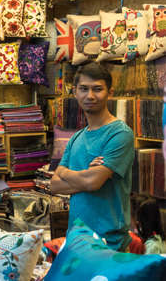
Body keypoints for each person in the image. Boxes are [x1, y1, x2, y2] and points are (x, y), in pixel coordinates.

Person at [51, 62, 135, 252]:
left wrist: (65, 172)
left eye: (97, 89)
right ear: (75, 92)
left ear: (109, 92)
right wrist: (86, 174)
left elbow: (93, 183)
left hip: (109, 243)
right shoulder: (76, 138)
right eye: (84, 89)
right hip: (78, 241)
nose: (90, 96)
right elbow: (54, 185)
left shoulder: (120, 134)